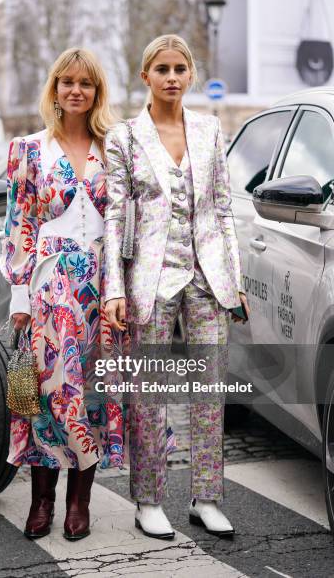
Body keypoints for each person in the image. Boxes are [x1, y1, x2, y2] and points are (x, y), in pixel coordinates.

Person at [104, 34, 249, 539]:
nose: (171, 77)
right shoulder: (124, 136)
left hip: (207, 277)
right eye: (161, 69)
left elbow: (224, 210)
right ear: (145, 76)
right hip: (151, 280)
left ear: (190, 76)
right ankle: (148, 500)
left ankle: (206, 497)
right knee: (149, 394)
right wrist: (113, 289)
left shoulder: (210, 130)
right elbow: (115, 216)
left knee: (210, 391)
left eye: (179, 69)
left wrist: (233, 279)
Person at [0, 48, 126, 541]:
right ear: (54, 89)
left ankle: (80, 499)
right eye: (67, 82)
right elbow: (20, 224)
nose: (76, 90)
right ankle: (42, 498)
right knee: (45, 395)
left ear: (97, 93)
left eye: (86, 83)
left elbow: (123, 223)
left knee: (92, 393)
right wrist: (18, 296)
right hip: (48, 286)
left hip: (101, 286)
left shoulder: (113, 149)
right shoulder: (29, 149)